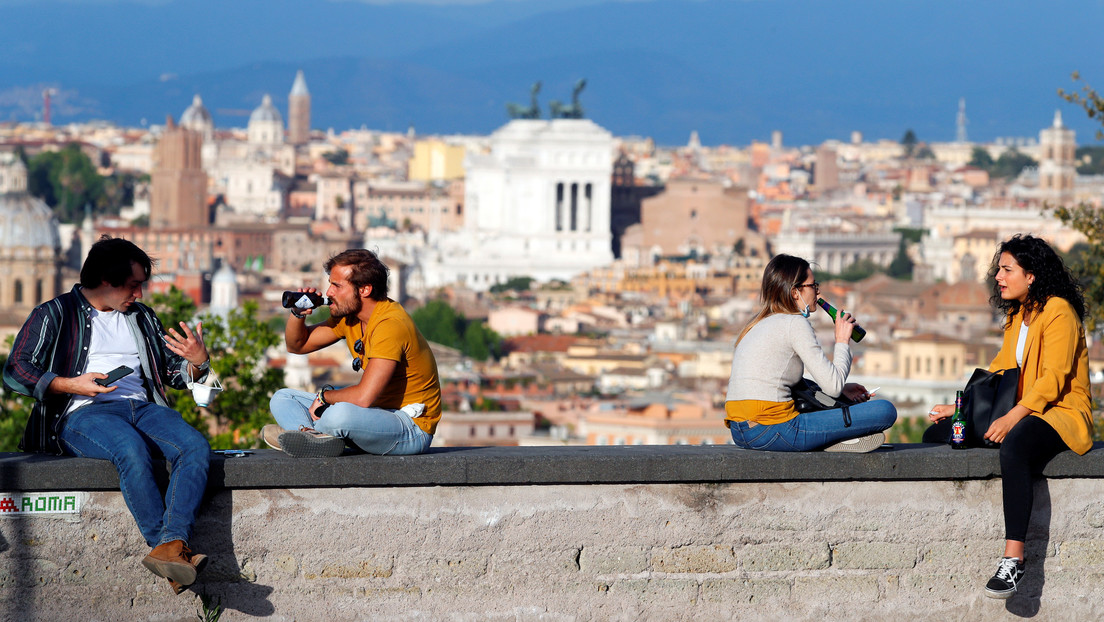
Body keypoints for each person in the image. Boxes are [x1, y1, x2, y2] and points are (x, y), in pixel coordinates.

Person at [2, 236, 212, 595]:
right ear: (104, 280)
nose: (139, 295)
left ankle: (170, 547)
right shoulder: (54, 313)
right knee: (130, 450)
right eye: (133, 286)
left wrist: (197, 362)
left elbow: (173, 375)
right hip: (82, 413)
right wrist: (71, 385)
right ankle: (167, 546)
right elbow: (14, 371)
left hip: (144, 408)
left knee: (194, 446)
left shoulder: (142, 317)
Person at [926, 234, 1093, 600]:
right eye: (998, 269)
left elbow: (1054, 378)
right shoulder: (1019, 314)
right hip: (1021, 407)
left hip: (1060, 413)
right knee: (938, 435)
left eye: (1006, 269)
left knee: (1014, 447)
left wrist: (1014, 417)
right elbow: (1000, 371)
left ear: (1030, 275)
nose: (997, 277)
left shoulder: (1059, 312)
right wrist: (960, 408)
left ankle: (1013, 558)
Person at [265, 249, 441, 458]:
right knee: (282, 398)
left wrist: (324, 397)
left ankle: (307, 433)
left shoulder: (390, 325)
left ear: (364, 290)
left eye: (337, 286)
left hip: (410, 426)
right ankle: (311, 436)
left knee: (338, 414)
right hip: (374, 415)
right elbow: (297, 345)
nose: (329, 292)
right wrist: (297, 313)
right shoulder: (350, 318)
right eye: (330, 283)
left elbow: (364, 397)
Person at [725, 254, 897, 452]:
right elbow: (832, 386)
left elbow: (796, 385)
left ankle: (828, 437)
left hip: (740, 433)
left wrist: (842, 393)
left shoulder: (756, 324)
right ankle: (833, 439)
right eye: (813, 285)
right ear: (795, 292)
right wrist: (842, 341)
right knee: (885, 410)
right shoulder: (794, 323)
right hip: (773, 430)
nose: (817, 292)